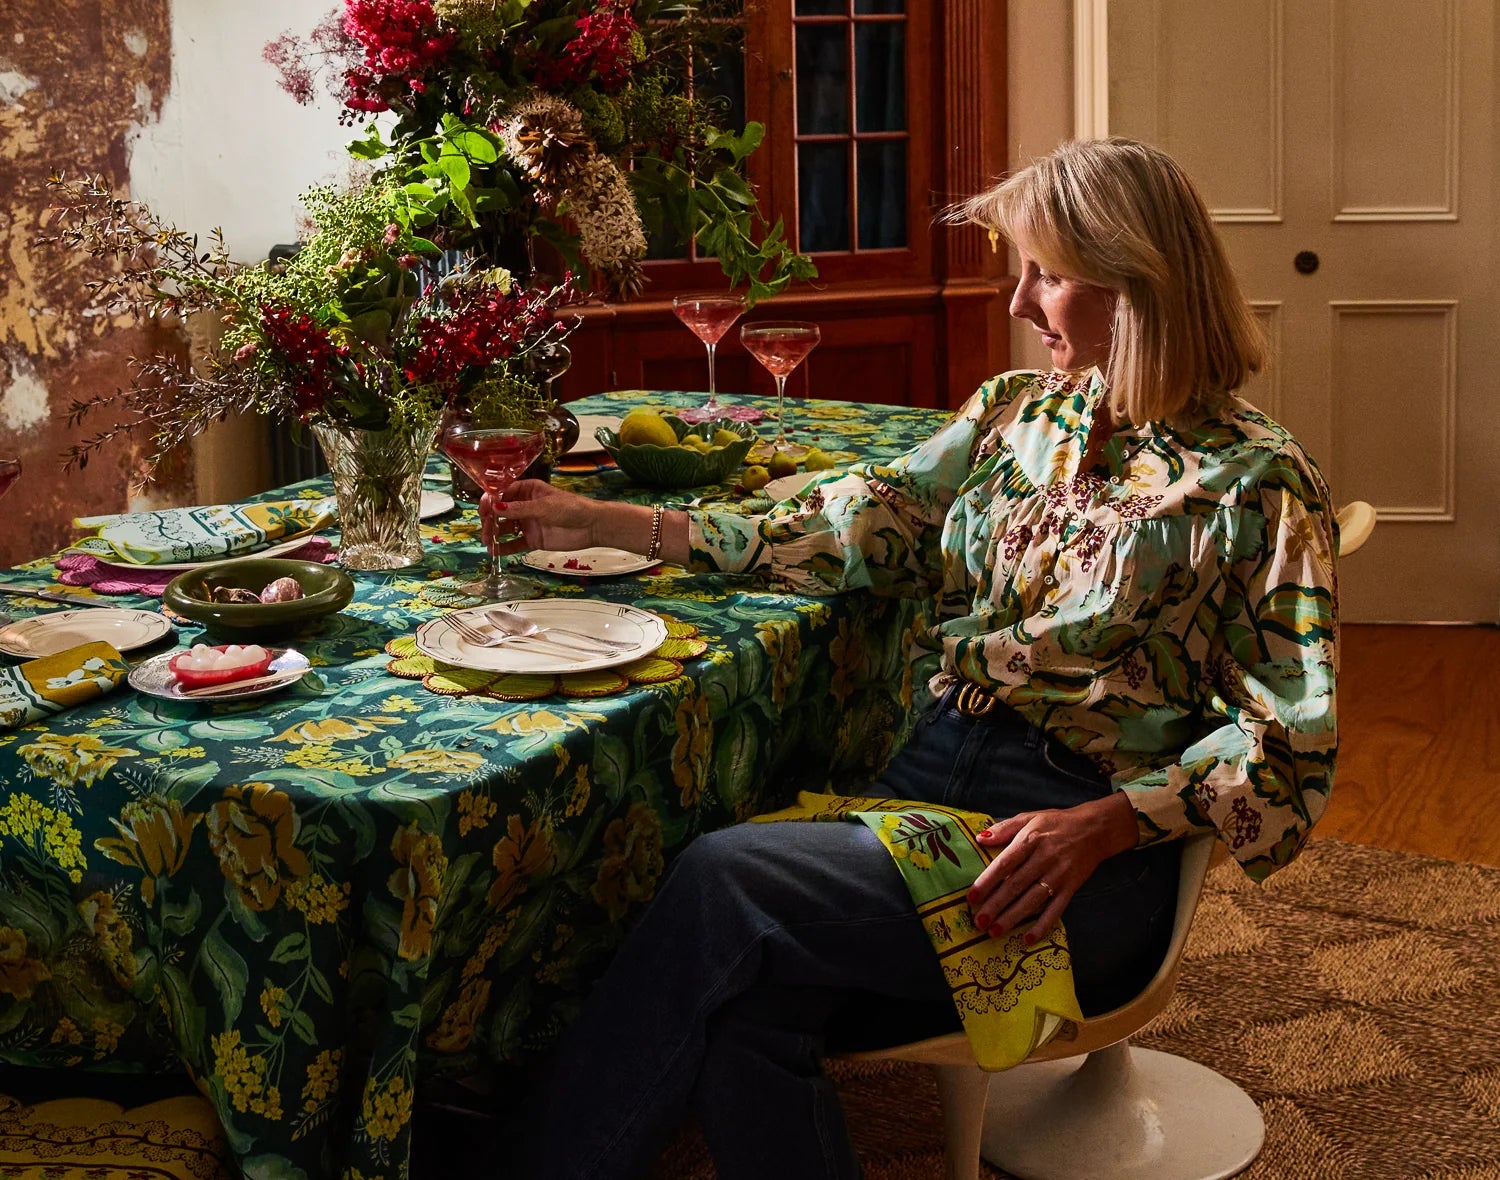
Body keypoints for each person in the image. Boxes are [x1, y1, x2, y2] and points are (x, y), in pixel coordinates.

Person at [500, 138, 1339, 1180]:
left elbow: (1291, 748)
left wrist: (1112, 822)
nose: (1021, 302)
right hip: (929, 784)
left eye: (1048, 273)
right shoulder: (1015, 415)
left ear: (1140, 283)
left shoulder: (1259, 481)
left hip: (1071, 862)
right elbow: (855, 526)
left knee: (723, 883)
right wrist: (614, 519)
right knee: (749, 1009)